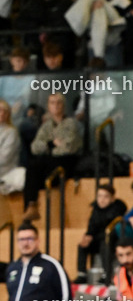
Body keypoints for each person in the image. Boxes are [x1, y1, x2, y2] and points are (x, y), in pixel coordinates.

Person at [24, 93, 82, 222]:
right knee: (32, 166)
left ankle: (32, 205)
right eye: (52, 103)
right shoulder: (46, 126)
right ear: (48, 106)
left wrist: (48, 148)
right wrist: (51, 143)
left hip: (68, 162)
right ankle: (31, 206)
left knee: (39, 165)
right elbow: (34, 147)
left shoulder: (71, 124)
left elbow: (68, 148)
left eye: (58, 102)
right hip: (50, 162)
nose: (55, 106)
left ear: (64, 106)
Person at [63, 0, 132, 63]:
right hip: (93, 45)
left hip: (113, 43)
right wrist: (91, 10)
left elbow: (128, 16)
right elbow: (81, 19)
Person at [75, 182, 127, 284]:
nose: (102, 200)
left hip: (112, 240)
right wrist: (88, 236)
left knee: (105, 243)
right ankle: (82, 274)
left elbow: (112, 230)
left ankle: (106, 273)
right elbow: (92, 226)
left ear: (112, 198)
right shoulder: (95, 210)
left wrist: (93, 237)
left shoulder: (117, 209)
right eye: (99, 196)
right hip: (97, 239)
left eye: (106, 197)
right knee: (82, 246)